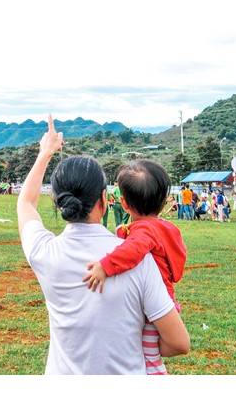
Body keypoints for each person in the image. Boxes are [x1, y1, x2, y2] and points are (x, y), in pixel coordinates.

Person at [17, 115, 190, 375]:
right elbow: (179, 343)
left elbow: (26, 204)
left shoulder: (44, 252)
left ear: (58, 201)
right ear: (104, 199)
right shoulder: (139, 257)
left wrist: (46, 152)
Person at [83, 160, 187, 375]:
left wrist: (105, 266)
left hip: (153, 309)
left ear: (124, 203)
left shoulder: (144, 232)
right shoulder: (166, 228)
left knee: (148, 356)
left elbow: (133, 250)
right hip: (167, 301)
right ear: (162, 201)